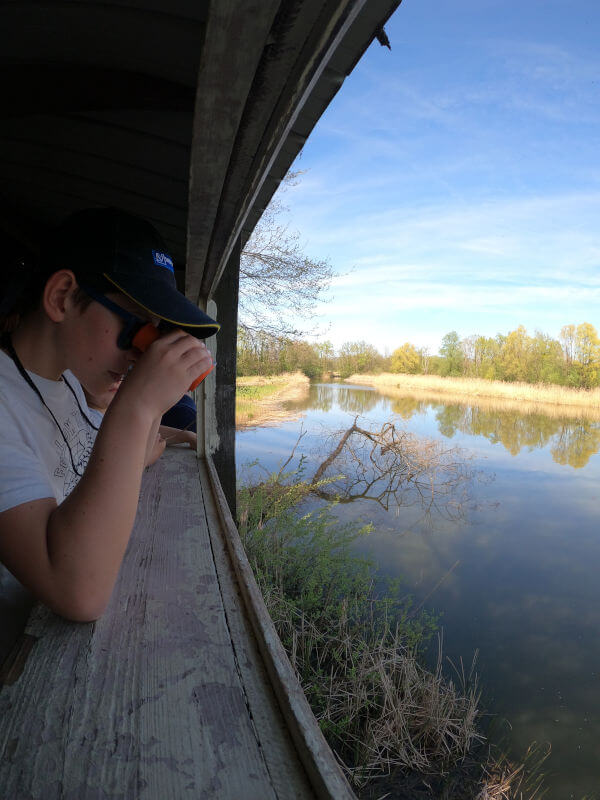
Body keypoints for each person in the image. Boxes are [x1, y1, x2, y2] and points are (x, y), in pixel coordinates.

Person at [0, 207, 219, 625]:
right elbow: (78, 593)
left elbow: (125, 457)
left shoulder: (65, 384)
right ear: (62, 297)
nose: (142, 350)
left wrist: (160, 412)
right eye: (136, 329)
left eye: (155, 335)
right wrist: (139, 403)